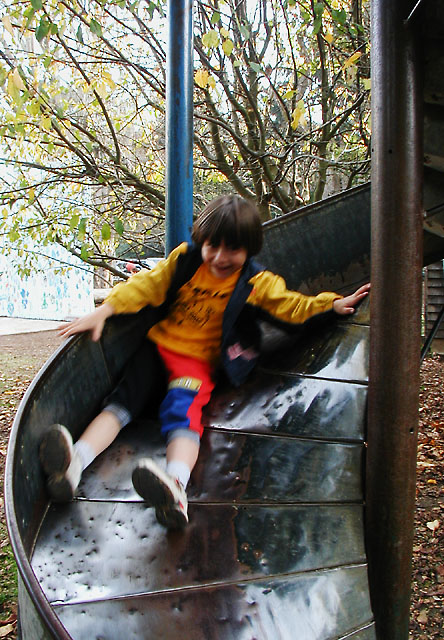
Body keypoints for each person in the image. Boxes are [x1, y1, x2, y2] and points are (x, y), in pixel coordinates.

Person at [39, 195, 370, 530]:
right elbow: (146, 286)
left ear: (249, 249)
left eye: (233, 249)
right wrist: (105, 310)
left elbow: (290, 305)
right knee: (120, 404)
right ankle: (76, 463)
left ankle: (175, 488)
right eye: (213, 246)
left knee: (183, 414)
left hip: (194, 365)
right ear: (202, 240)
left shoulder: (254, 283)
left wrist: (331, 305)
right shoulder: (186, 260)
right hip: (156, 348)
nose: (220, 257)